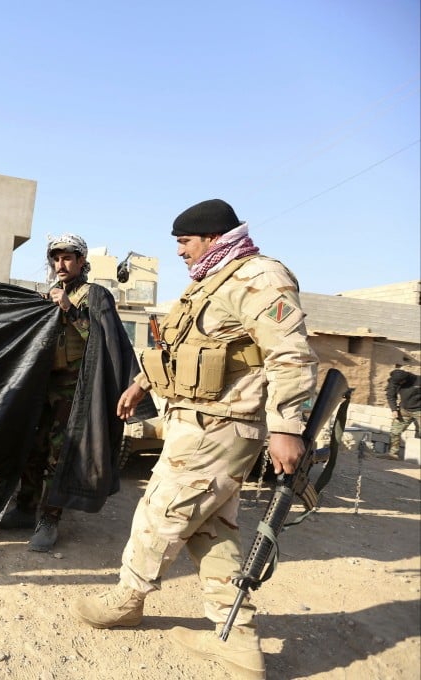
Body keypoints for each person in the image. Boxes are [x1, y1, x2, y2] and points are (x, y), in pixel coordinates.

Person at [72, 199, 318, 679]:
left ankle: (129, 597)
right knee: (211, 530)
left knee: (160, 512)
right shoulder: (212, 282)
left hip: (220, 427)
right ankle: (238, 642)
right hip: (199, 422)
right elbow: (178, 347)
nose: (180, 251)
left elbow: (291, 356)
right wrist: (143, 382)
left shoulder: (259, 278)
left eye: (184, 241)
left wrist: (288, 426)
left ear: (210, 237)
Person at [2, 234, 141, 553]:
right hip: (43, 386)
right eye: (56, 258)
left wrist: (71, 311)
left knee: (57, 454)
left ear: (81, 261)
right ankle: (25, 508)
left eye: (67, 258)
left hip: (76, 389)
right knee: (32, 448)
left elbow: (102, 340)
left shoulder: (95, 295)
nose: (60, 264)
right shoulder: (50, 293)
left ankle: (49, 518)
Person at [385, 366, 420, 460]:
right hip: (404, 410)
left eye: (400, 383)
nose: (398, 385)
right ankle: (393, 454)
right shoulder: (394, 382)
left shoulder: (418, 380)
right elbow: (390, 396)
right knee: (394, 432)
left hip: (419, 411)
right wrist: (394, 409)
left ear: (405, 379)